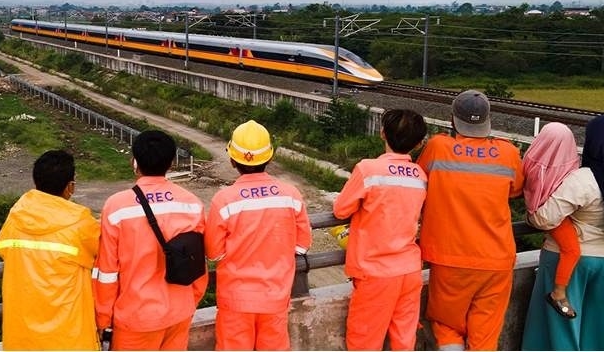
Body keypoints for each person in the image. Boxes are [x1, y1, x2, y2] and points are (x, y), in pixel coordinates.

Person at [522, 115, 604, 350]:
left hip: (572, 261)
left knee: (561, 328)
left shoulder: (582, 179)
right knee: (598, 326)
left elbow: (544, 218)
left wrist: (529, 215)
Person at [416, 89, 524, 351]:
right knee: (485, 333)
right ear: (487, 121)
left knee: (447, 324)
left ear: (453, 119)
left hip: (449, 257)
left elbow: (418, 181)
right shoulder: (508, 153)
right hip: (496, 259)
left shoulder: (437, 147)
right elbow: (516, 190)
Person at [93, 130, 208, 350]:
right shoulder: (192, 204)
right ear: (171, 163)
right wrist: (189, 302)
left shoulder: (116, 207)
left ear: (134, 162)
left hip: (136, 319)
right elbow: (198, 263)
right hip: (179, 313)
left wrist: (103, 319)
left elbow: (107, 272)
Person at [204, 120, 312, 350]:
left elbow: (213, 253)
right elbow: (302, 245)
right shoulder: (291, 195)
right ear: (269, 158)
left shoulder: (224, 200)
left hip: (235, 300)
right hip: (276, 297)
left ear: (233, 160)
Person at [333, 109, 428, 350]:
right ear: (419, 144)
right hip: (409, 270)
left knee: (364, 341)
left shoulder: (368, 169)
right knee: (404, 340)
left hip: (375, 273)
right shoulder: (420, 175)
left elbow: (341, 210)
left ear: (382, 133)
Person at [0, 150, 100, 350]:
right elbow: (105, 249)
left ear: (36, 182)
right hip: (68, 338)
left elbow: (3, 247)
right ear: (70, 187)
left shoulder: (16, 216)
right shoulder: (80, 222)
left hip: (21, 338)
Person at [522, 122, 581, 319]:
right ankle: (559, 293)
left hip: (534, 211)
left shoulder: (531, 158)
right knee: (572, 250)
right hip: (552, 216)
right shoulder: (566, 165)